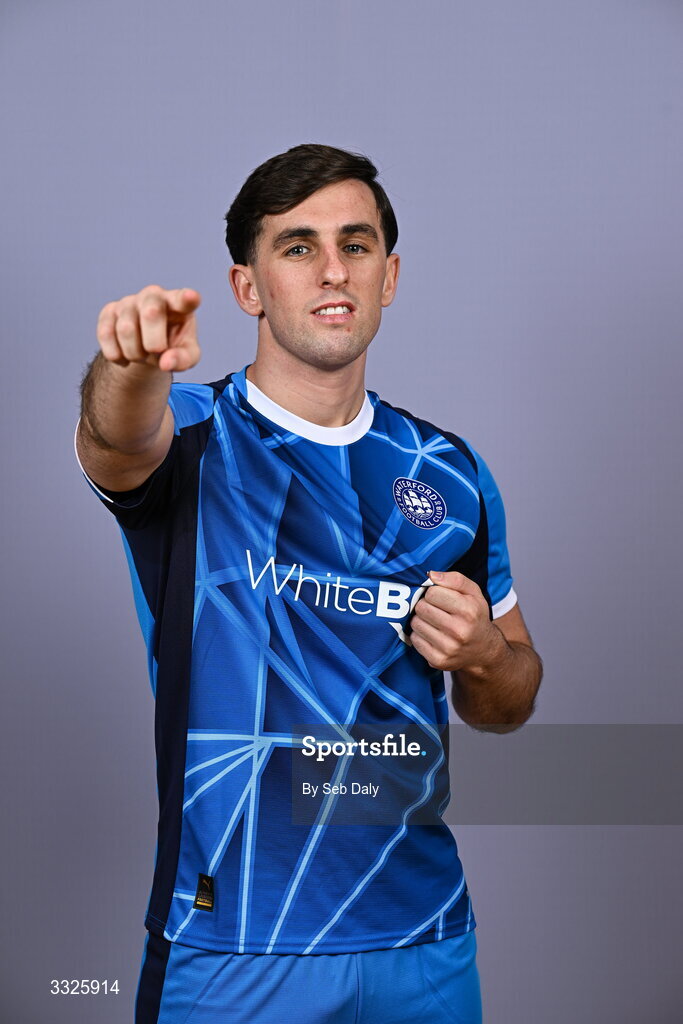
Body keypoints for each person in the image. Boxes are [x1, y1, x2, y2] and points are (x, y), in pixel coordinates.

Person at [76, 143, 543, 1024]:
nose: (333, 270)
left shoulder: (448, 471)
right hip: (232, 950)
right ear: (248, 287)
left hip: (426, 941)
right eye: (297, 247)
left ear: (389, 274)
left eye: (355, 244)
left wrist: (483, 654)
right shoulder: (188, 436)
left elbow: (509, 698)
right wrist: (130, 366)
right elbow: (113, 440)